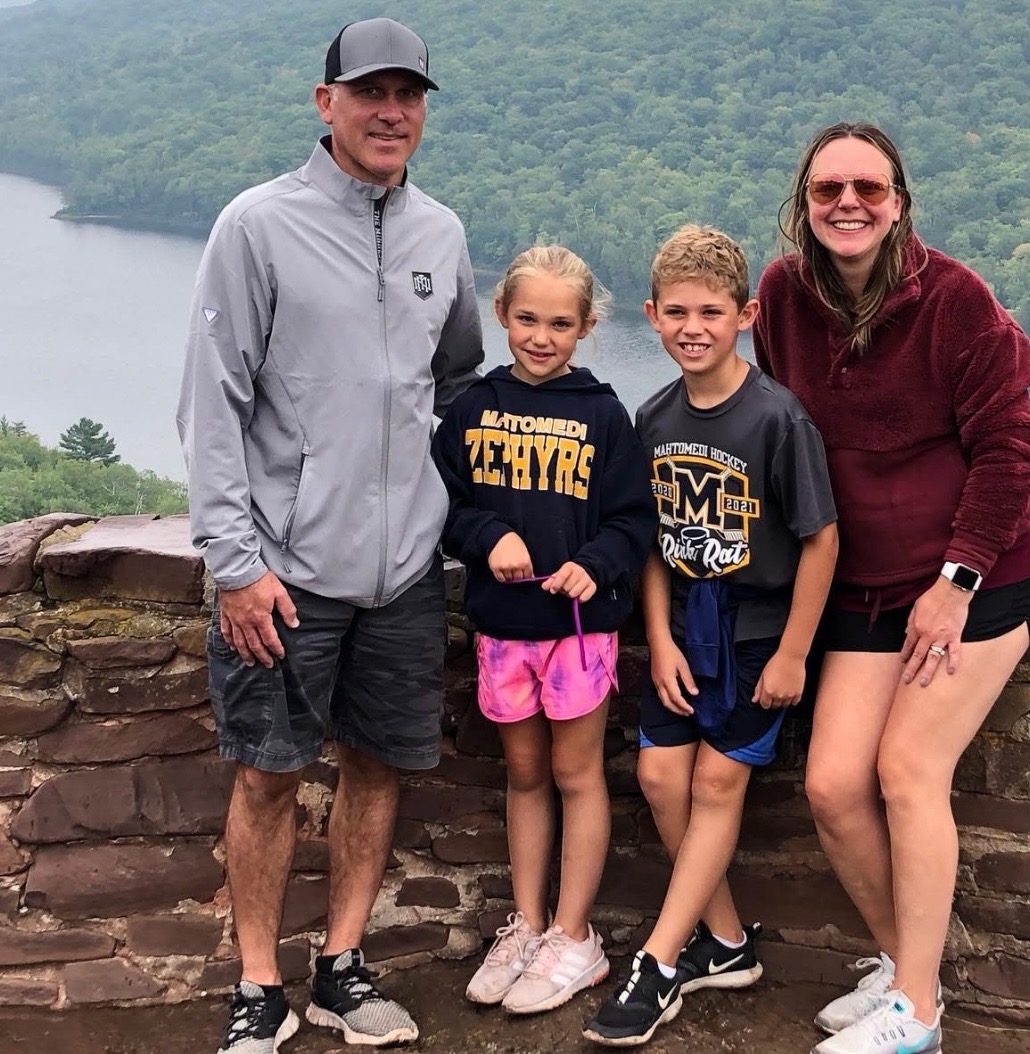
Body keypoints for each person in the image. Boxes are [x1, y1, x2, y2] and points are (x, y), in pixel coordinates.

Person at [176, 18, 484, 1053]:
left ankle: (343, 964)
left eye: (409, 95)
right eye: (370, 93)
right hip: (286, 577)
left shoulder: (441, 233)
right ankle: (259, 985)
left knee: (377, 766)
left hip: (404, 575)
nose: (391, 111)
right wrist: (236, 563)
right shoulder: (256, 226)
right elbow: (211, 406)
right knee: (268, 774)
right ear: (327, 104)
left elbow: (458, 381)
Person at [753, 123, 1030, 1054]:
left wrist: (955, 581)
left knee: (905, 771)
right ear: (803, 204)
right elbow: (775, 430)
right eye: (827, 189)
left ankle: (918, 1017)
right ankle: (903, 971)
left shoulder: (955, 299)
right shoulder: (780, 295)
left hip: (984, 575)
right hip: (863, 581)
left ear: (899, 203)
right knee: (834, 785)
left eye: (869, 190)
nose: (848, 204)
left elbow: (1011, 447)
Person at [583, 225, 839, 1047]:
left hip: (760, 632)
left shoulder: (776, 419)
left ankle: (658, 963)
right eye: (677, 312)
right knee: (661, 777)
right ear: (652, 315)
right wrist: (654, 638)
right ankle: (726, 942)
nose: (694, 327)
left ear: (746, 316)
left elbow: (820, 539)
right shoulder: (653, 416)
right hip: (685, 629)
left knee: (718, 786)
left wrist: (796, 651)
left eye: (712, 311)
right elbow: (654, 543)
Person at [432, 246, 656, 1016]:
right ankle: (526, 923)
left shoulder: (602, 413)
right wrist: (486, 534)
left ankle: (574, 933)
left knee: (577, 774)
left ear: (588, 327)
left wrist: (597, 562)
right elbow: (445, 504)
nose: (541, 336)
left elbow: (634, 517)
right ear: (502, 316)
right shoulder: (470, 409)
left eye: (561, 323)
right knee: (523, 774)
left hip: (580, 628)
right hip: (505, 625)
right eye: (527, 318)